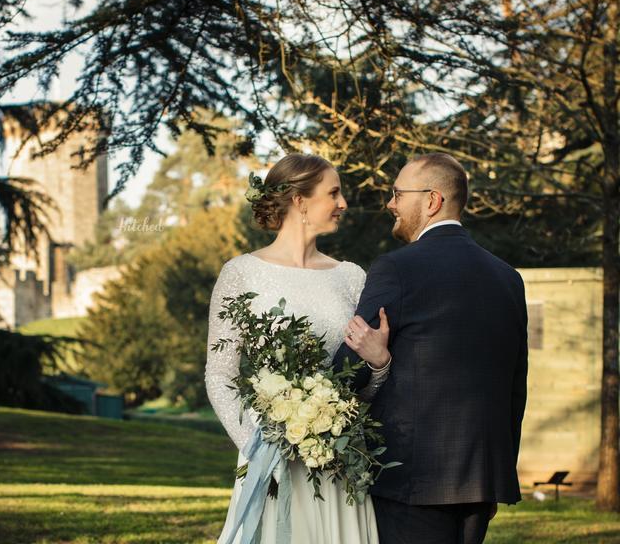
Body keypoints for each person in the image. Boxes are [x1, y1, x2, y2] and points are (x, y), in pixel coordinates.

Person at [333, 153, 528, 544]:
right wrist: (497, 472)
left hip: (413, 479)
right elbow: (515, 387)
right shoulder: (508, 277)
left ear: (432, 200)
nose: (390, 203)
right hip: (482, 477)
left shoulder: (397, 268)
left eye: (397, 193)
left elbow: (345, 371)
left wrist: (375, 364)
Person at [206, 153, 391, 544]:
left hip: (340, 457)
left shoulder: (351, 277)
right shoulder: (240, 273)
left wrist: (378, 368)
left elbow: (363, 382)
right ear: (299, 200)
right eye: (334, 193)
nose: (343, 204)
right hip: (270, 457)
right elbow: (219, 374)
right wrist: (260, 445)